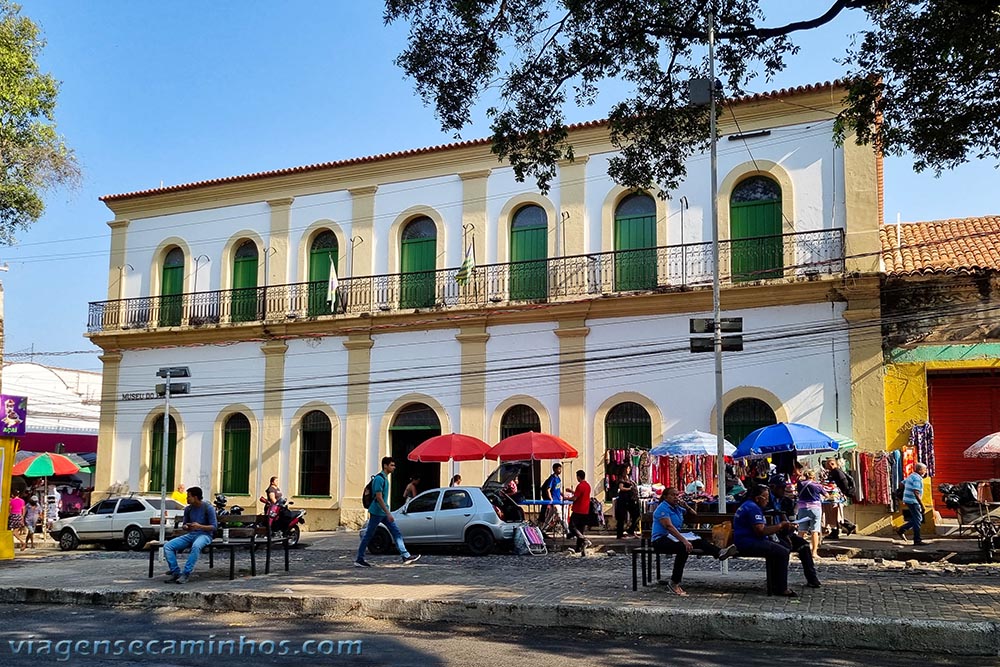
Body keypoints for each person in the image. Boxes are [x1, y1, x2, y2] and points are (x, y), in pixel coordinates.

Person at [651, 488, 737, 596]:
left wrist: (686, 506)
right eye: (673, 495)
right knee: (683, 548)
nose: (676, 498)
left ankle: (720, 552)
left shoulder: (677, 508)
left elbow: (694, 514)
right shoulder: (662, 509)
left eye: (677, 495)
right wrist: (684, 541)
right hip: (661, 539)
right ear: (665, 497)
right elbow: (669, 527)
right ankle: (674, 582)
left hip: (675, 537)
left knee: (699, 541)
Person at [355, 457, 421, 567]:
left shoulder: (385, 479)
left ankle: (405, 555)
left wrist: (387, 512)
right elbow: (379, 497)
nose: (394, 467)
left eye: (394, 465)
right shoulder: (379, 479)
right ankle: (359, 559)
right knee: (369, 535)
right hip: (377, 512)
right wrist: (388, 512)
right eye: (392, 465)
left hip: (383, 512)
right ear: (385, 466)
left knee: (396, 533)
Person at [733, 484, 797, 597]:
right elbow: (760, 531)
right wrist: (780, 526)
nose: (767, 501)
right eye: (765, 497)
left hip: (748, 539)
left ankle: (774, 582)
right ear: (758, 498)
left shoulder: (748, 505)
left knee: (782, 546)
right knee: (782, 552)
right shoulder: (752, 508)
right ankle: (781, 588)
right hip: (748, 542)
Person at [766, 474, 821, 588]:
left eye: (784, 487)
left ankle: (812, 579)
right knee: (783, 548)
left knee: (804, 545)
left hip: (784, 532)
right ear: (772, 487)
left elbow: (789, 518)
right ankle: (779, 584)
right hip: (769, 533)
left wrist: (791, 525)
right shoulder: (765, 499)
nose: (783, 490)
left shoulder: (786, 501)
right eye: (780, 487)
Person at [163, 486, 217, 584]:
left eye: (188, 497)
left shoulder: (208, 508)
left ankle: (186, 573)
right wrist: (186, 527)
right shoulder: (188, 509)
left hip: (205, 535)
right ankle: (175, 572)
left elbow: (214, 527)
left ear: (195, 497)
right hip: (191, 535)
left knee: (196, 546)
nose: (186, 499)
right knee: (168, 546)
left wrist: (200, 526)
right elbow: (184, 524)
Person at [796, 469, 827, 558]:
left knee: (801, 531)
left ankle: (799, 551)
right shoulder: (818, 485)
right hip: (815, 509)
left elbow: (798, 492)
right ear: (813, 476)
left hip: (802, 508)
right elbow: (827, 495)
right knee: (815, 531)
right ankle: (814, 552)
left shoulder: (800, 484)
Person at [822, 458, 857, 537]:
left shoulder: (837, 472)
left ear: (831, 464)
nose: (825, 466)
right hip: (836, 496)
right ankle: (842, 529)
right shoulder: (834, 472)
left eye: (827, 464)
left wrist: (842, 492)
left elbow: (844, 482)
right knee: (835, 513)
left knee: (834, 513)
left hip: (837, 496)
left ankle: (843, 528)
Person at [897, 463, 928, 546]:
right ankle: (917, 540)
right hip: (913, 501)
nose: (925, 471)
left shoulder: (912, 475)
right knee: (918, 520)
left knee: (917, 519)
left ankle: (902, 530)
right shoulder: (917, 478)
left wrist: (905, 492)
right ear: (920, 470)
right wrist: (922, 505)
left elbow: (901, 484)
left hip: (908, 500)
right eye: (925, 470)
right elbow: (916, 491)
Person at [566, 470, 592, 556]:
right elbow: (581, 494)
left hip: (578, 510)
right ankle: (579, 548)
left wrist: (566, 498)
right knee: (581, 529)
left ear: (578, 477)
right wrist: (572, 491)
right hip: (585, 510)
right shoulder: (587, 485)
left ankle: (584, 539)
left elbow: (575, 498)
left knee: (572, 526)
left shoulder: (580, 486)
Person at [539, 463, 568, 537]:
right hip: (554, 501)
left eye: (560, 469)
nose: (560, 470)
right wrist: (551, 499)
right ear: (554, 469)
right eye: (558, 469)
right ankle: (567, 530)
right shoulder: (552, 478)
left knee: (549, 516)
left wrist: (563, 495)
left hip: (558, 500)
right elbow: (548, 489)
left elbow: (558, 489)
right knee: (560, 515)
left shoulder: (558, 479)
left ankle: (543, 530)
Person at [615, 465, 639, 539]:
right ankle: (620, 534)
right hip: (624, 500)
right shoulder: (621, 479)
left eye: (629, 468)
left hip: (630, 500)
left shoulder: (629, 478)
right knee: (621, 517)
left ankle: (631, 530)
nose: (628, 470)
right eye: (627, 469)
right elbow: (621, 488)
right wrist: (629, 489)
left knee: (636, 515)